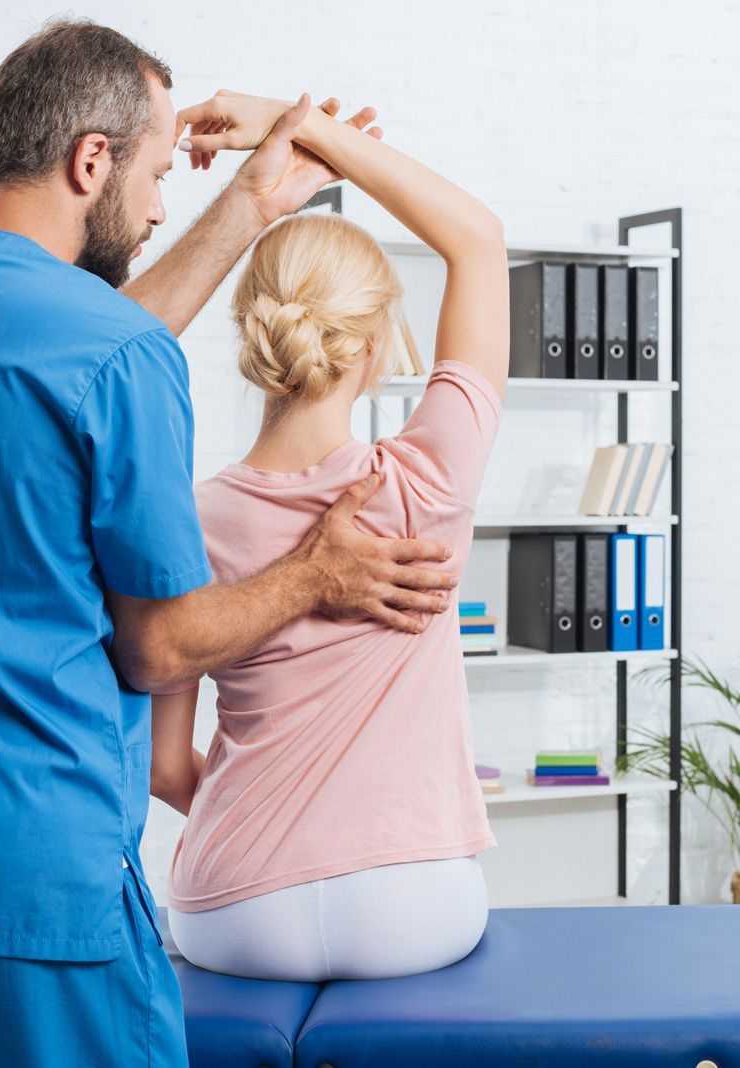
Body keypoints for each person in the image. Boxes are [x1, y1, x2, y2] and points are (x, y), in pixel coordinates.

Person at [0, 21, 459, 1067]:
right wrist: (316, 573)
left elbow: (67, 349)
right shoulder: (111, 356)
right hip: (34, 885)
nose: (160, 207)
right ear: (89, 160)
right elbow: (157, 648)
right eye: (155, 175)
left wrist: (246, 207)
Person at [150, 90, 510, 983]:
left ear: (251, 329)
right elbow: (477, 240)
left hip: (232, 907)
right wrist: (301, 122)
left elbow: (164, 768)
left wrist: (269, 839)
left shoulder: (181, 514)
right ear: (379, 337)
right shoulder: (427, 481)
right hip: (413, 904)